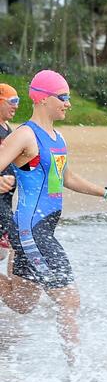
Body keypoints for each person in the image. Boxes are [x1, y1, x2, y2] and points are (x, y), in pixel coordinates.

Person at [0, 70, 107, 365]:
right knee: (69, 299)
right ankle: (78, 370)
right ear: (44, 98)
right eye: (64, 97)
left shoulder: (57, 138)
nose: (68, 103)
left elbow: (67, 177)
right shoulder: (24, 134)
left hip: (41, 229)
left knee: (23, 303)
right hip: (32, 231)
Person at [0, 84, 18, 263]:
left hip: (6, 203)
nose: (17, 105)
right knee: (19, 243)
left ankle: (16, 290)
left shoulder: (8, 129)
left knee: (12, 249)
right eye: (12, 101)